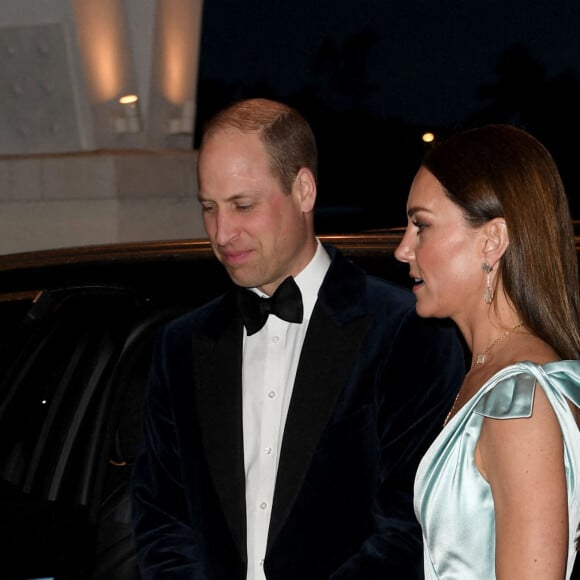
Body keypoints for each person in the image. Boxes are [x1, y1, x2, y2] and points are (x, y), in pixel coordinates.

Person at [130, 97, 465, 579]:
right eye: (209, 208)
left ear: (303, 190)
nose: (223, 233)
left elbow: (413, 527)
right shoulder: (180, 345)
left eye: (243, 205)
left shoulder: (406, 331)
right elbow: (162, 519)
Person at [395, 123, 580, 579]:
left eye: (421, 226)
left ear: (492, 240)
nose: (402, 249)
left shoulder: (522, 399)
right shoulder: (495, 377)